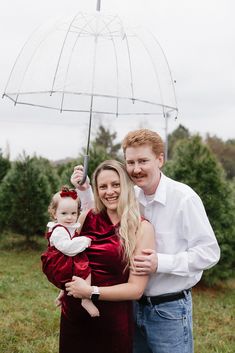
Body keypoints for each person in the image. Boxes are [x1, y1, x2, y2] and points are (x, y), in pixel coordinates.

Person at [71, 129, 221, 353]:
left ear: (160, 159)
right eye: (130, 162)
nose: (136, 169)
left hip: (168, 309)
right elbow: (101, 216)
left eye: (143, 160)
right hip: (130, 306)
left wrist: (161, 262)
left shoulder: (184, 198)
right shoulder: (131, 196)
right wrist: (84, 192)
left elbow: (209, 253)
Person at [59, 160, 155, 353]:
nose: (109, 191)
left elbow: (136, 289)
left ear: (127, 186)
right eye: (103, 186)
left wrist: (90, 291)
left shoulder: (142, 228)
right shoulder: (87, 217)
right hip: (75, 314)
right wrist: (63, 284)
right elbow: (71, 257)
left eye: (116, 184)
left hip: (112, 320)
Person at [41, 185, 99, 317]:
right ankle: (86, 299)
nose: (69, 217)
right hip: (61, 261)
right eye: (64, 213)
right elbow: (68, 248)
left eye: (73, 213)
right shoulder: (59, 230)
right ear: (54, 213)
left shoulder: (69, 226)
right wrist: (85, 240)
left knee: (74, 276)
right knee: (85, 271)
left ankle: (64, 292)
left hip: (66, 259)